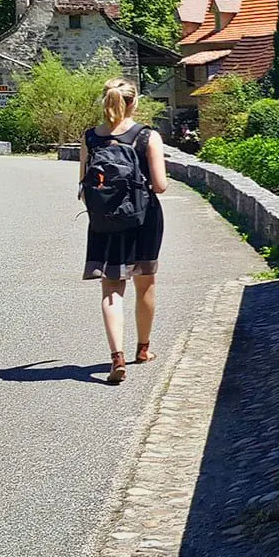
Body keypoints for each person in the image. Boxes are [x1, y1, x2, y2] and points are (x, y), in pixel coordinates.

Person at [78, 78, 168, 384]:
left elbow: (83, 187)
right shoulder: (146, 136)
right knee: (145, 284)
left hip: (104, 221)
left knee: (111, 289)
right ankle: (143, 349)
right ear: (134, 102)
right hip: (143, 218)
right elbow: (160, 186)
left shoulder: (91, 138)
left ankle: (116, 357)